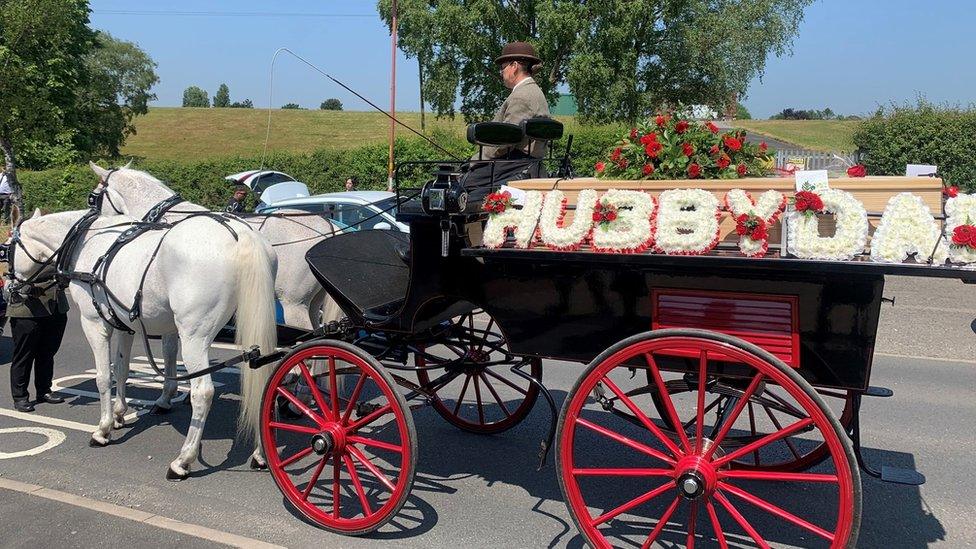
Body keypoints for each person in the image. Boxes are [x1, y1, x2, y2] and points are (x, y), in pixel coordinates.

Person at [7, 275, 69, 412]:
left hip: (55, 307)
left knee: (48, 353)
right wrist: (25, 288)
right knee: (24, 355)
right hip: (26, 310)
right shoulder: (15, 252)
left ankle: (44, 390)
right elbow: (9, 277)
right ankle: (20, 396)